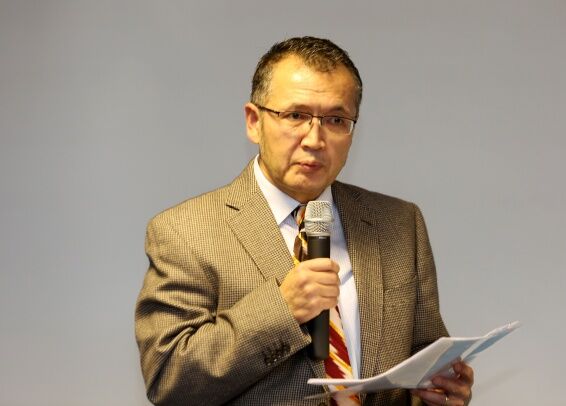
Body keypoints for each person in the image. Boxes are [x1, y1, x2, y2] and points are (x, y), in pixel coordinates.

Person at [135, 36, 474, 406]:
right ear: (254, 122)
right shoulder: (185, 231)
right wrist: (281, 309)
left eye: (336, 120)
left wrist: (441, 393)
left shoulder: (399, 224)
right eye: (296, 115)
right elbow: (169, 381)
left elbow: (423, 360)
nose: (315, 139)